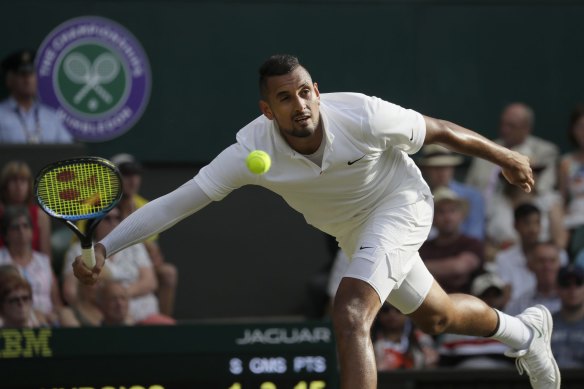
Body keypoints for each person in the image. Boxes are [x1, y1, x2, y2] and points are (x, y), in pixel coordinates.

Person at [72, 55, 559, 388]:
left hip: (401, 205)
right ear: (268, 109)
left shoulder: (363, 115)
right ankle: (526, 334)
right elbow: (176, 203)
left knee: (350, 311)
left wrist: (504, 156)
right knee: (437, 318)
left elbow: (441, 131)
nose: (299, 105)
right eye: (285, 98)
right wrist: (104, 249)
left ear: (317, 92)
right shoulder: (251, 149)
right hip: (354, 231)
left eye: (305, 92)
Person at [64, 206, 173, 324]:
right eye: (107, 219)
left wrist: (118, 296)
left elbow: (150, 282)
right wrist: (104, 303)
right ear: (94, 224)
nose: (113, 223)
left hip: (144, 315)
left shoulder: (135, 246)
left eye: (117, 218)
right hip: (102, 317)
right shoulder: (78, 251)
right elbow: (70, 291)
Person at [110, 153, 178, 317]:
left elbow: (153, 252)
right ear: (112, 178)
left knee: (168, 273)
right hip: (107, 262)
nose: (132, 180)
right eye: (126, 174)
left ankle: (163, 325)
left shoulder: (145, 206)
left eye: (136, 174)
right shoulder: (95, 205)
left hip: (138, 262)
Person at [466, 102, 559, 199]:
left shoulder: (545, 151)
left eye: (511, 126)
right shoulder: (484, 148)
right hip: (481, 206)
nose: (504, 130)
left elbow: (544, 188)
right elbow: (469, 187)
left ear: (526, 128)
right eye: (503, 124)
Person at [436, 272, 513, 368]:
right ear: (473, 298)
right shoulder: (455, 329)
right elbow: (443, 365)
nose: (491, 300)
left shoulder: (512, 328)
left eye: (495, 295)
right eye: (485, 295)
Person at [0, 206, 62, 322]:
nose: (21, 231)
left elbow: (56, 302)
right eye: (15, 227)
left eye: (25, 226)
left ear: (32, 232)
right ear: (6, 235)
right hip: (10, 320)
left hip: (47, 319)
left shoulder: (44, 261)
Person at [419, 186, 484, 294]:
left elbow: (459, 267)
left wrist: (423, 268)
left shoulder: (472, 244)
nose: (448, 217)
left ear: (461, 215)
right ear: (432, 218)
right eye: (441, 212)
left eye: (452, 211)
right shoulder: (423, 248)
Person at [0, 49, 73, 143]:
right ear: (9, 80)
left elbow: (69, 150)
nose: (28, 80)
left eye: (31, 74)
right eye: (22, 75)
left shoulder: (50, 117)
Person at [417, 144, 485, 240]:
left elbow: (475, 237)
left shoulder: (472, 196)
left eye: (446, 167)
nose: (441, 173)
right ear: (425, 170)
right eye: (435, 167)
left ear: (452, 168)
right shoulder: (415, 198)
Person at [0, 160, 52, 258]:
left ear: (29, 185)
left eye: (23, 180)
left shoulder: (41, 215)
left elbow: (46, 256)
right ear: (5, 186)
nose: (19, 186)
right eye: (14, 180)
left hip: (35, 270)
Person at [372, 302, 438, 370]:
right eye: (385, 310)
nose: (392, 314)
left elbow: (431, 366)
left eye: (398, 309)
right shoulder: (370, 340)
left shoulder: (421, 338)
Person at [505, 242, 562, 316]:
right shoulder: (520, 304)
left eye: (552, 261)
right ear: (530, 265)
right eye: (541, 261)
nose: (547, 266)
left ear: (560, 265)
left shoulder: (573, 299)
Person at [551, 265, 584, 367]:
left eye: (578, 283)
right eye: (566, 284)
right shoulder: (545, 324)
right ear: (557, 289)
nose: (572, 289)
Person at [558, 104, 584, 230]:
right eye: (581, 127)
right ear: (573, 130)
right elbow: (562, 200)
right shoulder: (566, 163)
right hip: (574, 224)